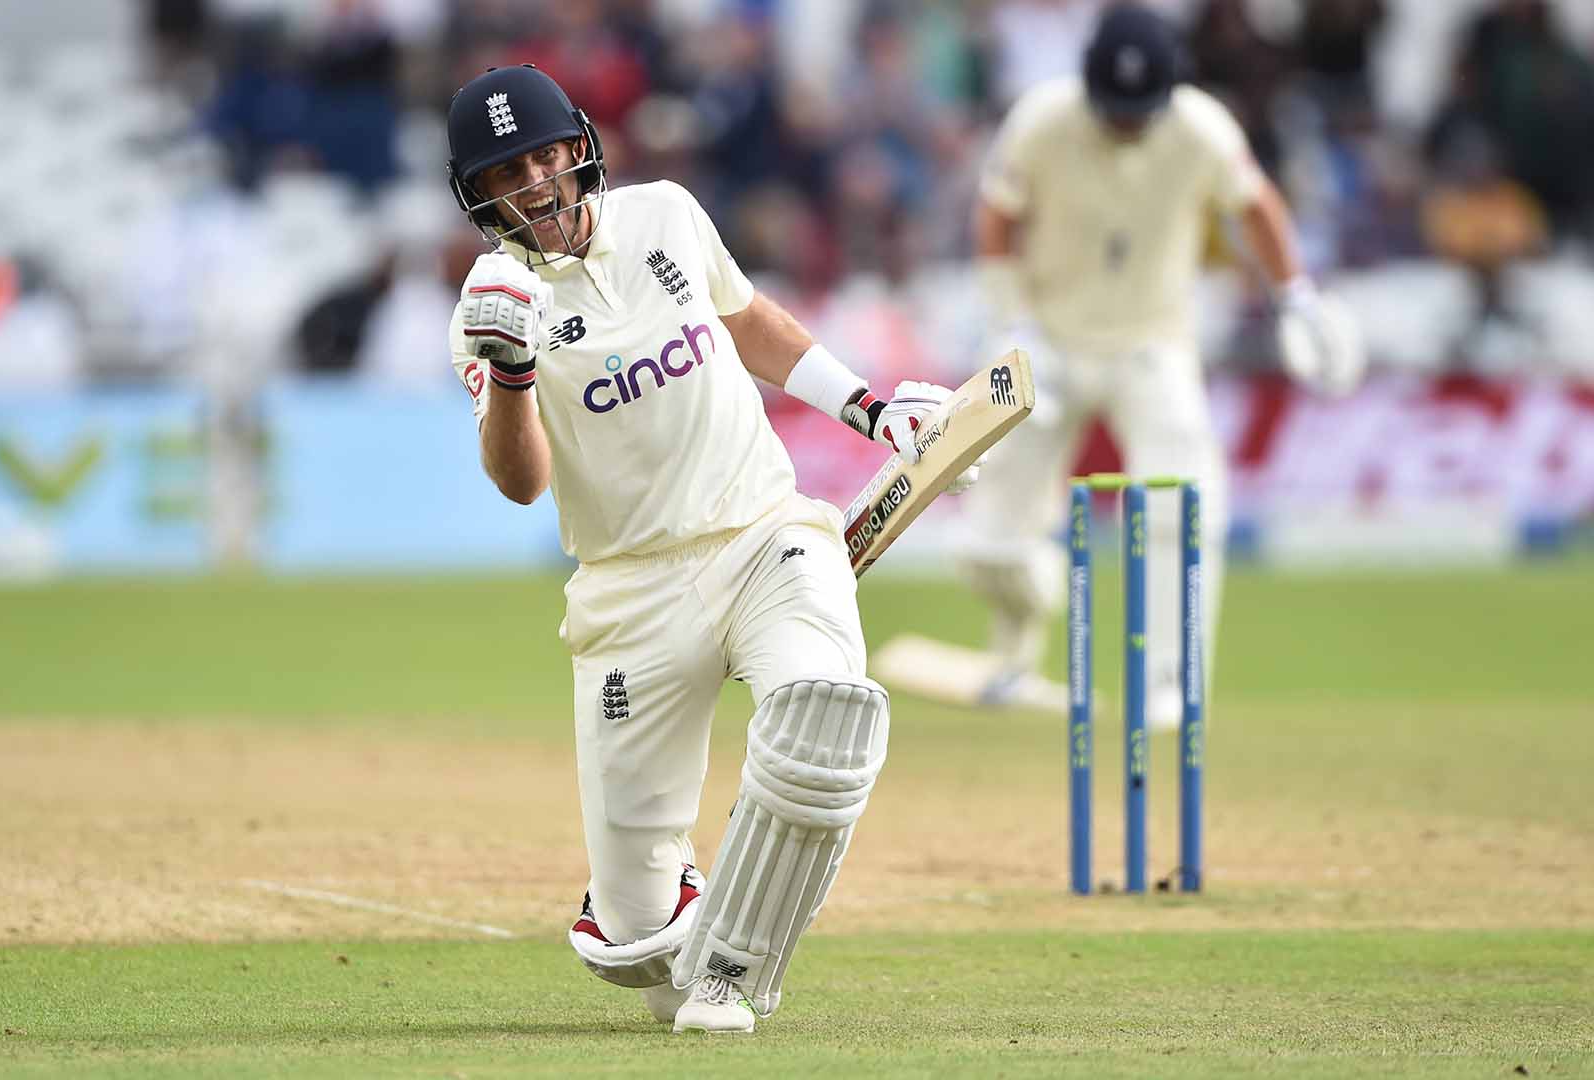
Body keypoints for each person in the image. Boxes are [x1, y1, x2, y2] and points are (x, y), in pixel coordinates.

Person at [441, 64, 975, 1035]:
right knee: (645, 958)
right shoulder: (491, 303)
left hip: (763, 532)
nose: (535, 184)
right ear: (478, 196)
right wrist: (512, 370)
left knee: (824, 718)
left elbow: (746, 322)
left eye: (546, 157)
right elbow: (521, 480)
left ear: (580, 149)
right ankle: (668, 912)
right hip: (630, 594)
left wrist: (872, 410)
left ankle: (733, 970)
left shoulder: (666, 215)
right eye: (506, 173)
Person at [956, 3, 1361, 722]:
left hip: (1152, 344)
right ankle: (1014, 657)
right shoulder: (1042, 120)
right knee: (989, 541)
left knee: (1183, 506)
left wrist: (1295, 296)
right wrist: (1012, 324)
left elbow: (1258, 205)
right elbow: (996, 215)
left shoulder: (1202, 128)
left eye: (1139, 112)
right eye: (1114, 110)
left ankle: (1170, 682)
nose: (1126, 124)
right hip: (1047, 342)